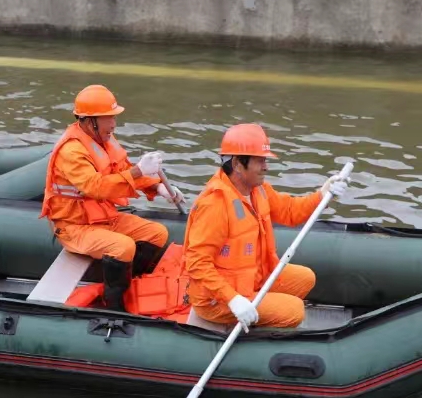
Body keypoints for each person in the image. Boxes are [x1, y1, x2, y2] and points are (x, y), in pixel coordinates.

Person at [182, 123, 349, 330]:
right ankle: (248, 325)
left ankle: (257, 314)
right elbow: (197, 263)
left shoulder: (257, 190)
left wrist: (322, 195)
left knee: (305, 279)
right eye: (260, 161)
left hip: (252, 278)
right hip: (216, 299)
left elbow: (289, 211)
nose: (266, 167)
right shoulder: (214, 204)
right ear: (237, 164)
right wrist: (233, 299)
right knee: (294, 310)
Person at [40, 84, 184, 311]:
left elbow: (122, 169)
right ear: (91, 121)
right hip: (73, 226)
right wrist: (138, 171)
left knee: (157, 233)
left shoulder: (104, 139)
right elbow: (94, 187)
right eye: (109, 117)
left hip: (103, 217)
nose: (114, 123)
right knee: (123, 247)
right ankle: (113, 305)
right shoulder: (72, 151)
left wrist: (156, 187)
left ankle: (129, 284)